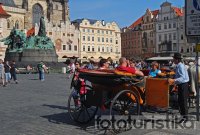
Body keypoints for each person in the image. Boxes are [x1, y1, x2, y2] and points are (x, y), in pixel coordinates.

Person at [168, 53, 189, 123]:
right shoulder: (178, 66)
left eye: (174, 58)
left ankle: (185, 118)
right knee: (180, 101)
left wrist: (174, 80)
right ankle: (183, 116)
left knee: (183, 102)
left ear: (177, 59)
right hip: (181, 85)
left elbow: (183, 78)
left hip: (183, 85)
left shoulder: (180, 66)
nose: (173, 59)